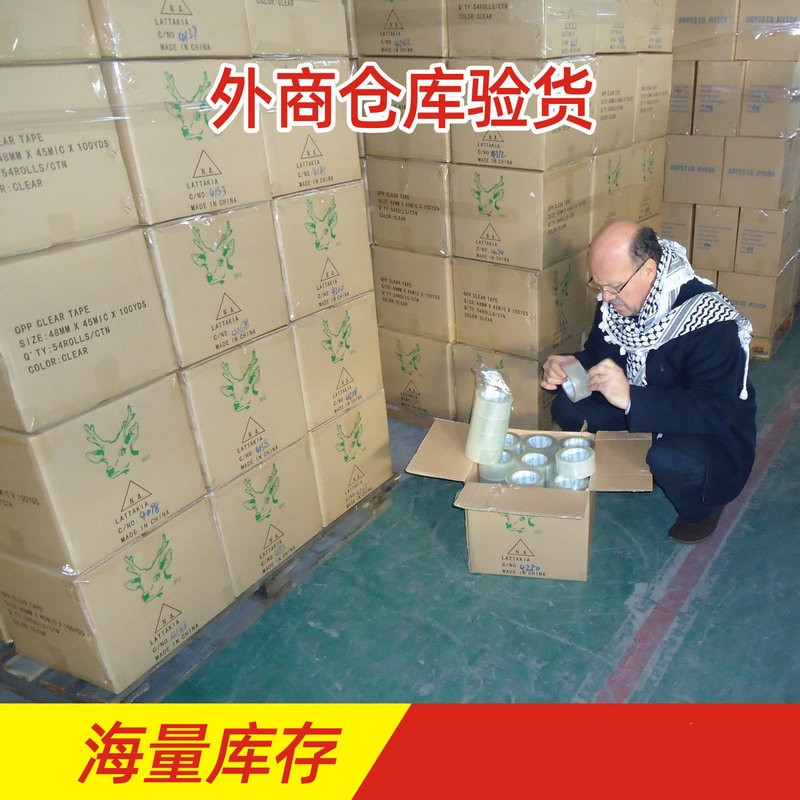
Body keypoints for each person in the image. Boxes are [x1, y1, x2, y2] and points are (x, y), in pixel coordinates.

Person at [541, 220, 757, 544]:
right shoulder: (617, 303)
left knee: (670, 459)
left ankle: (703, 506)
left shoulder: (713, 322)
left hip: (709, 430)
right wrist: (572, 365)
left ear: (648, 271)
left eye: (614, 287)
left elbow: (716, 411)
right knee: (568, 406)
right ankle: (641, 455)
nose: (605, 297)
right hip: (646, 405)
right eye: (599, 285)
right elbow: (600, 354)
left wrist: (631, 398)